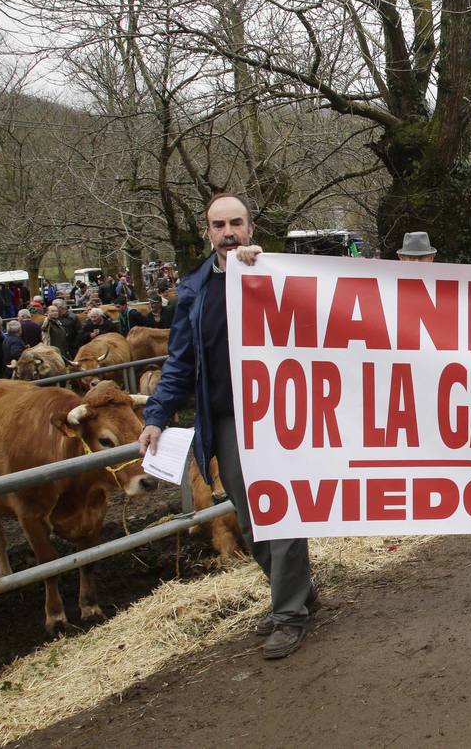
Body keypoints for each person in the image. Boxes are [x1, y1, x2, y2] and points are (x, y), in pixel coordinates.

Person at [141, 193, 319, 660]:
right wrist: (157, 414)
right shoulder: (195, 288)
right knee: (250, 516)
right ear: (207, 232)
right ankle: (297, 593)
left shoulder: (272, 273)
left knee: (282, 512)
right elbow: (180, 362)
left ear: (251, 227)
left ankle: (290, 613)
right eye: (218, 225)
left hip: (280, 418)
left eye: (235, 223)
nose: (228, 232)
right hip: (227, 419)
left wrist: (262, 271)